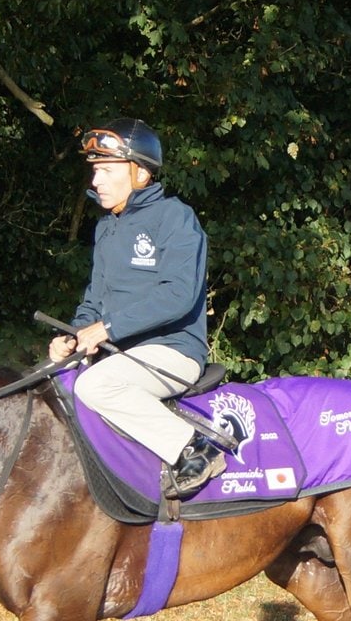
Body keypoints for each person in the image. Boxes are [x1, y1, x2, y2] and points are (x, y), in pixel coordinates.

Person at [49, 118, 226, 497]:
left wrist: (107, 328)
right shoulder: (106, 228)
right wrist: (74, 335)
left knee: (97, 385)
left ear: (140, 173)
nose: (96, 180)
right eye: (95, 171)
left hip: (173, 352)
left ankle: (195, 450)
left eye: (106, 170)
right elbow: (95, 299)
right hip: (119, 355)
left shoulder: (175, 217)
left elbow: (178, 294)